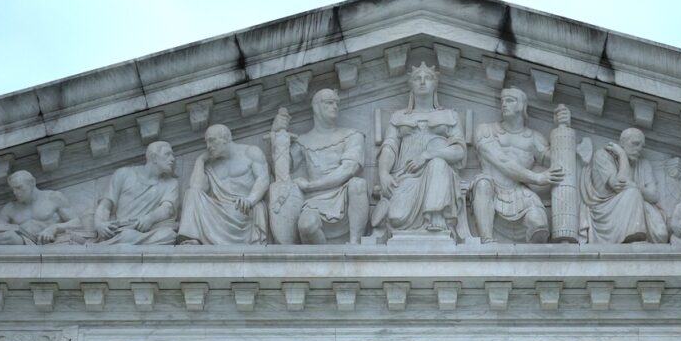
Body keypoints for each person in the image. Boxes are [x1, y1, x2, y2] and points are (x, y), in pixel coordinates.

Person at [373, 62, 466, 236]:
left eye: (428, 78)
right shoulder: (398, 117)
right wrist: (384, 173)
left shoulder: (450, 116)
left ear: (435, 84)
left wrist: (427, 155)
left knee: (437, 163)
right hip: (405, 175)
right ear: (411, 84)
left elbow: (459, 151)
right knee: (396, 217)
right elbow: (390, 147)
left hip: (439, 177)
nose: (422, 82)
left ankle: (436, 216)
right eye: (417, 78)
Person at [269, 89, 369, 244]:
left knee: (358, 184)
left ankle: (354, 245)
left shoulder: (352, 135)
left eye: (337, 103)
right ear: (316, 107)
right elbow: (282, 168)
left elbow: (349, 169)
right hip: (314, 200)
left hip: (344, 195)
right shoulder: (303, 141)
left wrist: (311, 185)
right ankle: (325, 264)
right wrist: (277, 134)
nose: (335, 106)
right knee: (306, 226)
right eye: (329, 102)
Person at [471, 88, 565, 243]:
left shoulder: (534, 138)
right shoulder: (486, 131)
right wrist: (538, 178)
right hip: (491, 190)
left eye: (510, 100)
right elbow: (502, 161)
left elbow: (558, 162)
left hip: (520, 193)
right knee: (483, 183)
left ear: (522, 105)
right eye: (502, 100)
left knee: (539, 225)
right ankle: (487, 239)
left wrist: (563, 127)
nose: (504, 104)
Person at [178, 124, 270, 245]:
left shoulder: (250, 152)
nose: (208, 147)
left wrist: (250, 200)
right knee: (191, 193)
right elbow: (196, 188)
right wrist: (200, 160)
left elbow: (263, 178)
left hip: (242, 209)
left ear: (226, 138)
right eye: (206, 142)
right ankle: (192, 239)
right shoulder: (211, 164)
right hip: (217, 209)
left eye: (211, 141)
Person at [579, 127, 668, 244]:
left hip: (636, 205)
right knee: (632, 193)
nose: (639, 149)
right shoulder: (602, 155)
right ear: (622, 143)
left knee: (661, 234)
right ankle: (635, 237)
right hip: (605, 210)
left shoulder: (644, 164)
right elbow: (620, 184)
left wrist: (635, 186)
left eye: (641, 146)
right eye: (635, 144)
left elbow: (654, 196)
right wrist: (622, 155)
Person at [93, 141, 180, 245]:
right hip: (122, 229)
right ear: (154, 157)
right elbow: (105, 206)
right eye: (167, 154)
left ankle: (123, 243)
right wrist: (99, 224)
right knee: (127, 235)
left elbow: (167, 208)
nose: (172, 159)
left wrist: (149, 219)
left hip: (148, 232)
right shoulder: (123, 174)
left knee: (169, 235)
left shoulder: (171, 183)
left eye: (172, 155)